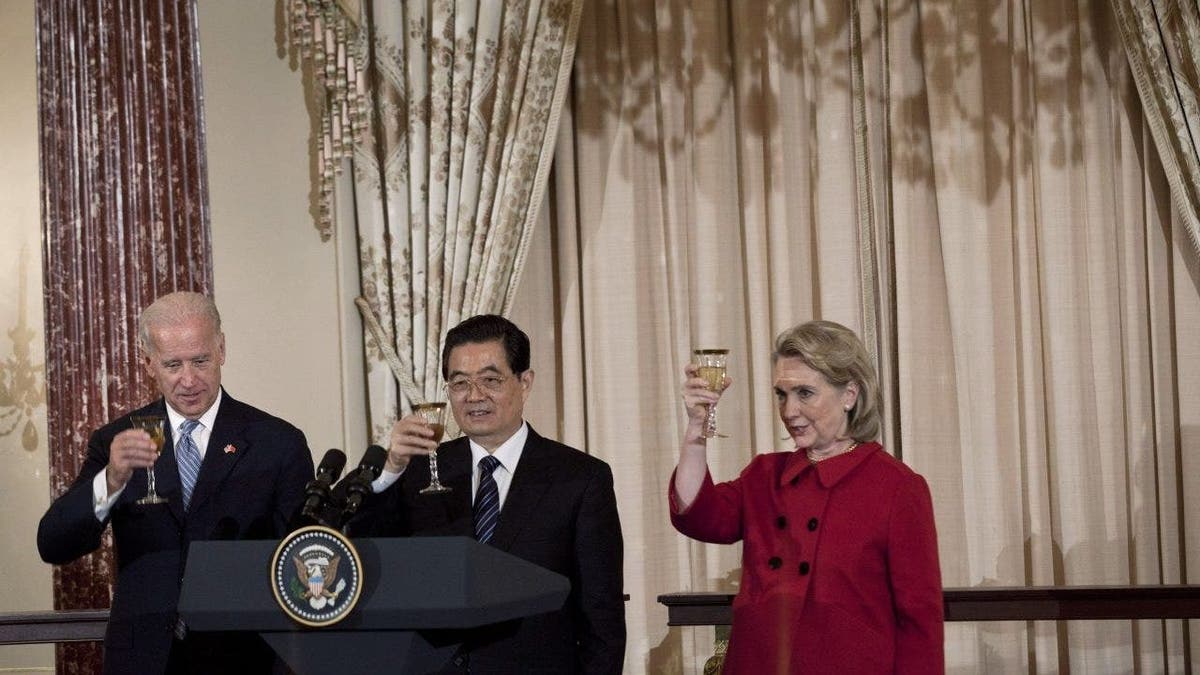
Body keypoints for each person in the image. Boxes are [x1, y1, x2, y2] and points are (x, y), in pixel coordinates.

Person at [37, 291, 314, 675]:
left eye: (200, 360)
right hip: (143, 658)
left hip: (247, 658)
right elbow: (53, 543)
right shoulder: (117, 441)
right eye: (172, 365)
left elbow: (304, 554)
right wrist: (111, 479)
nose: (188, 380)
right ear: (148, 363)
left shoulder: (276, 442)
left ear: (221, 349)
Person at [352, 314, 625, 674]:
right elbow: (361, 552)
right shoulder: (417, 471)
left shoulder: (580, 478)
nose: (474, 396)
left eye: (491, 380)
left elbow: (601, 616)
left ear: (524, 382)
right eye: (459, 382)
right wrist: (391, 469)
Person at [670, 320, 943, 673]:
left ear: (850, 394)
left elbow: (920, 623)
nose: (789, 411)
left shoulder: (898, 487)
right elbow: (699, 516)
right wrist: (696, 429)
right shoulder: (765, 475)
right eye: (782, 395)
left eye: (805, 393)